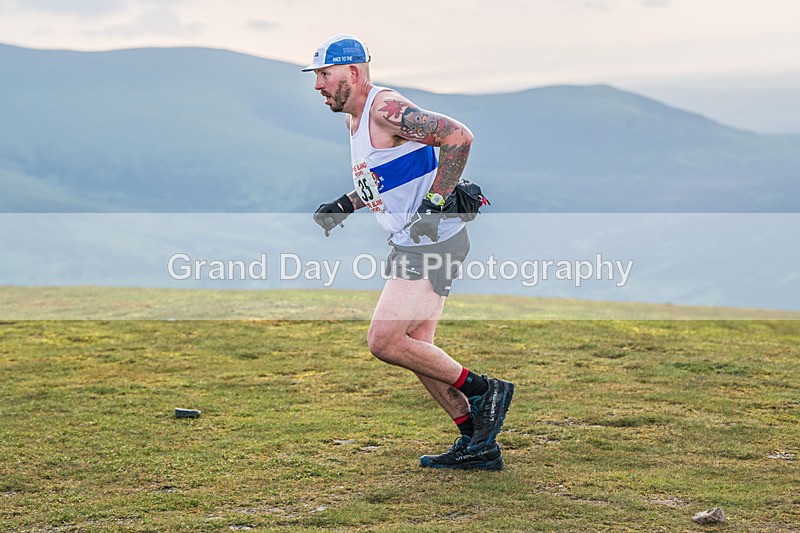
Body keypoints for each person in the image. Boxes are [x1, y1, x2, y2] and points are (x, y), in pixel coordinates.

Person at [304, 34, 514, 470]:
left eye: (325, 75)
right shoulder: (355, 121)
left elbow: (459, 137)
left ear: (354, 73)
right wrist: (344, 205)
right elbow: (390, 177)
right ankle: (477, 444)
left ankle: (484, 390)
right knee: (417, 347)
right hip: (414, 241)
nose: (318, 85)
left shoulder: (385, 109)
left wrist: (435, 204)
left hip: (433, 241)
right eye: (317, 76)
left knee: (384, 340)